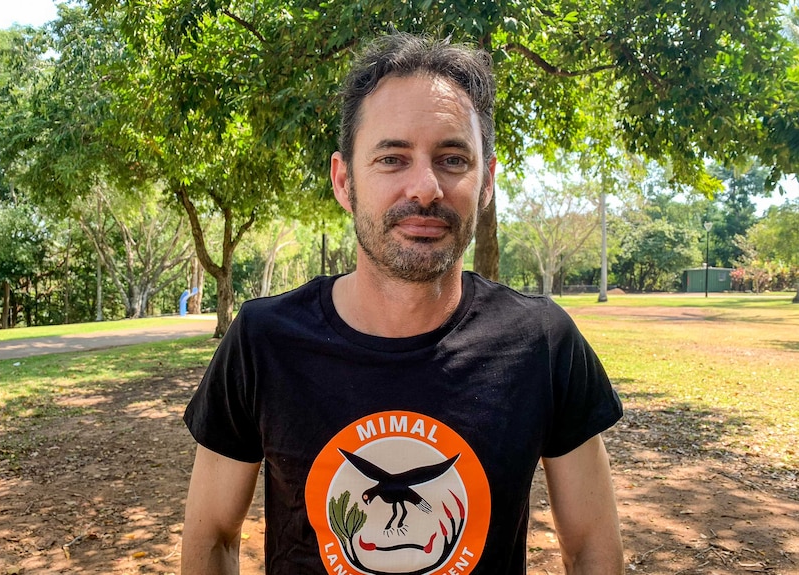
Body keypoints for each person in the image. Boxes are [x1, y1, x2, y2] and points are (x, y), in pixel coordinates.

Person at [181, 32, 624, 575]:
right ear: (345, 182)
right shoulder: (262, 339)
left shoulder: (543, 342)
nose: (425, 187)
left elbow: (591, 548)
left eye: (453, 158)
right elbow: (213, 537)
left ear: (486, 184)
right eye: (392, 158)